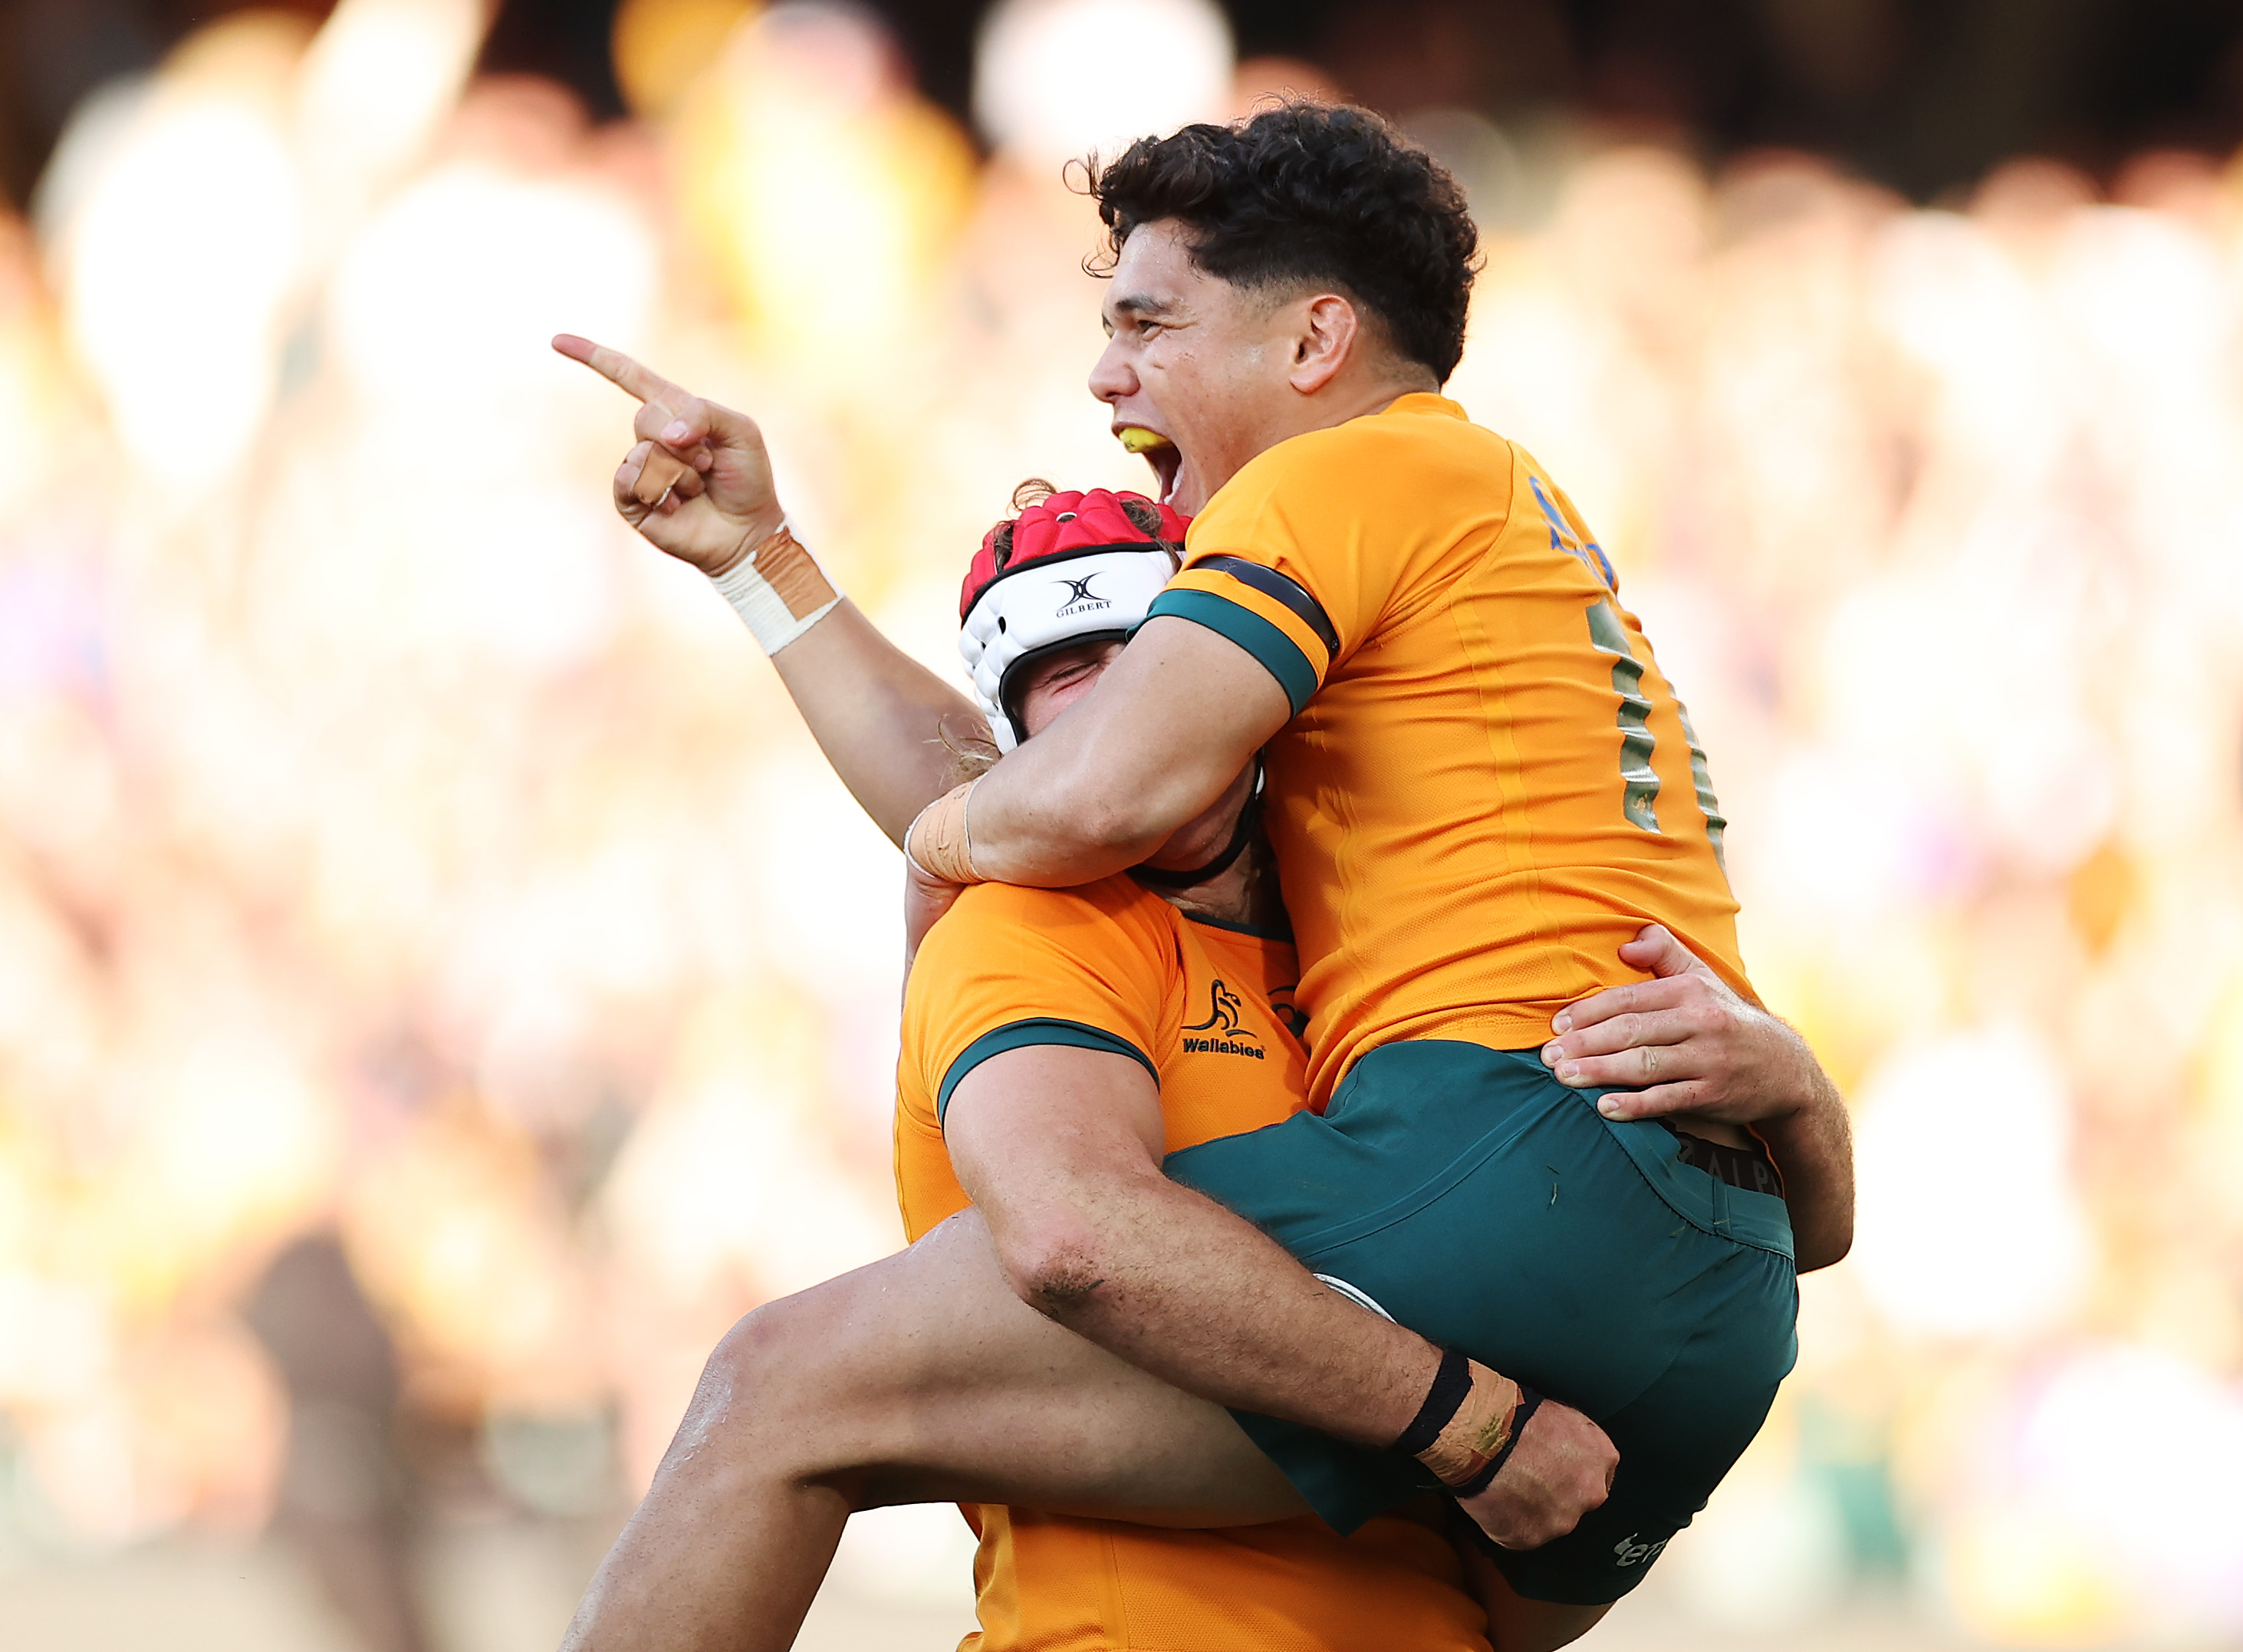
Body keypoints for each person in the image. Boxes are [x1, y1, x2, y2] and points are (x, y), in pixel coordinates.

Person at [538, 380, 1845, 1650]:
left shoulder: (1378, 947)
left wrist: (1793, 1087)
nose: (1118, 702)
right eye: (1068, 676)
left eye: (1148, 661)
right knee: (773, 1387)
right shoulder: (1037, 924)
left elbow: (1760, 1281)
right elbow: (1074, 1234)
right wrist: (1469, 1426)